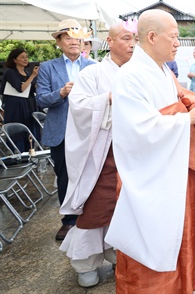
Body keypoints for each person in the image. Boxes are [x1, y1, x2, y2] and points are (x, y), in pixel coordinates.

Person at [105, 9, 195, 293]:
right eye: (174, 37)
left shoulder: (162, 71)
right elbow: (139, 130)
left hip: (171, 173)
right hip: (148, 178)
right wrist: (187, 119)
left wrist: (194, 105)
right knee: (150, 249)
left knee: (178, 241)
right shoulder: (130, 76)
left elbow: (179, 100)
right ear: (151, 36)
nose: (177, 44)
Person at [59, 22, 135, 288]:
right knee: (98, 205)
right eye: (126, 38)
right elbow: (78, 104)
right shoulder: (92, 74)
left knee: (127, 208)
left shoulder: (142, 73)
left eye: (135, 39)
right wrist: (109, 99)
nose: (132, 44)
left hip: (134, 153)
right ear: (110, 42)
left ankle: (120, 256)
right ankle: (86, 262)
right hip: (104, 152)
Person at [37, 19, 96, 240]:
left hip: (88, 130)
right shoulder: (47, 67)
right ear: (59, 42)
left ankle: (91, 217)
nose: (74, 41)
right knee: (64, 176)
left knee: (92, 172)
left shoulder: (93, 67)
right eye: (68, 37)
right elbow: (41, 100)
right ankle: (69, 221)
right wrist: (61, 92)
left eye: (78, 37)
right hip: (61, 130)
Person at [0, 49, 39, 151]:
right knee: (18, 131)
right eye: (22, 57)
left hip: (28, 105)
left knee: (29, 129)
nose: (25, 59)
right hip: (15, 107)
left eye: (26, 57)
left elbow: (33, 89)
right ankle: (17, 153)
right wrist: (33, 76)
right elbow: (20, 88)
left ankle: (30, 150)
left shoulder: (27, 72)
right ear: (14, 60)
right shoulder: (10, 73)